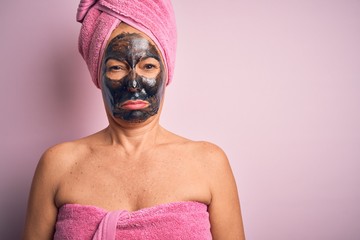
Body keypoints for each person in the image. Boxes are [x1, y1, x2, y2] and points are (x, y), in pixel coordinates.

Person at [23, 0, 245, 239]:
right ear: (98, 74)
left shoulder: (209, 163)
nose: (133, 83)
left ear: (166, 72)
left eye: (148, 66)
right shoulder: (58, 165)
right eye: (117, 67)